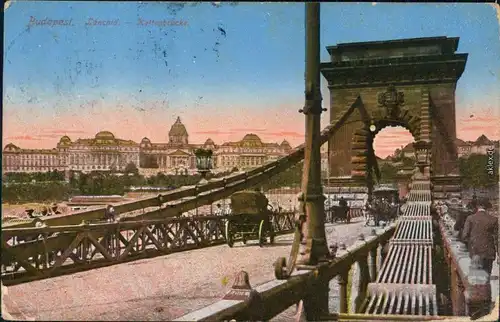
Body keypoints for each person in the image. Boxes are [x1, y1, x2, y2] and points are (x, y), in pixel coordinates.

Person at [461, 198, 498, 276]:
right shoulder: (494, 219)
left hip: (475, 252)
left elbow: (464, 236)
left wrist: (472, 243)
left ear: (477, 207)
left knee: (477, 278)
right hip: (489, 253)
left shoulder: (470, 218)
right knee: (487, 277)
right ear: (487, 207)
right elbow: (497, 239)